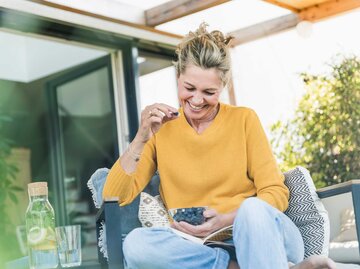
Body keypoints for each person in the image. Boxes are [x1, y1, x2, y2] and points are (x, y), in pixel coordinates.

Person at [103, 23, 336, 269]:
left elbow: (275, 192)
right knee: (136, 244)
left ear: (223, 87)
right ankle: (239, 265)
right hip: (199, 246)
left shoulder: (244, 119)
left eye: (209, 92)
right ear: (178, 77)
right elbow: (114, 196)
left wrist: (229, 217)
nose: (196, 100)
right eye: (189, 88)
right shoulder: (162, 130)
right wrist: (141, 138)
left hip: (262, 235)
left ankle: (258, 259)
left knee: (253, 209)